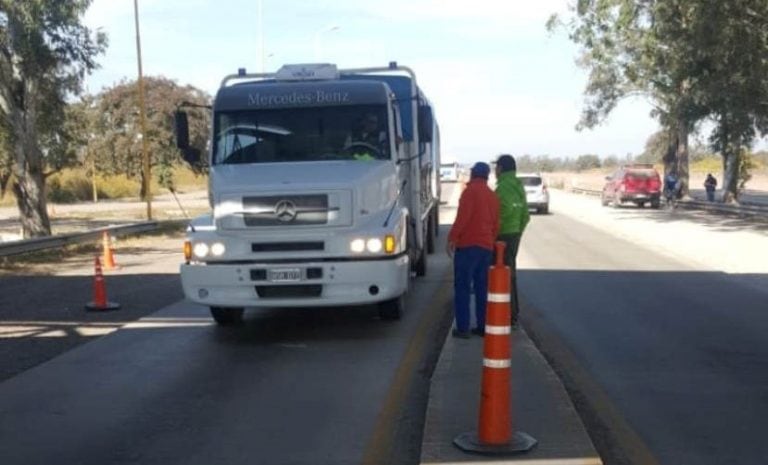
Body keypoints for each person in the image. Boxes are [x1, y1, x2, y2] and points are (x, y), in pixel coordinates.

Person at [446, 162, 500, 338]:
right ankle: (482, 326)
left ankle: (463, 328)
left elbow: (462, 219)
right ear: (487, 176)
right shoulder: (492, 196)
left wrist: (452, 238)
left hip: (468, 246)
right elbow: (496, 225)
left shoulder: (469, 193)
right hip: (486, 248)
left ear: (473, 174)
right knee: (482, 288)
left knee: (462, 287)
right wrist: (490, 241)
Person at [494, 154, 530, 328]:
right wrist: (518, 232)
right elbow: (526, 215)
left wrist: (496, 231)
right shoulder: (518, 186)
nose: (495, 170)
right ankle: (513, 313)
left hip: (502, 238)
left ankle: (504, 313)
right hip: (514, 234)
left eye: (496, 167)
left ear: (500, 168)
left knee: (500, 275)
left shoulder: (502, 188)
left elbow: (501, 212)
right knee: (511, 273)